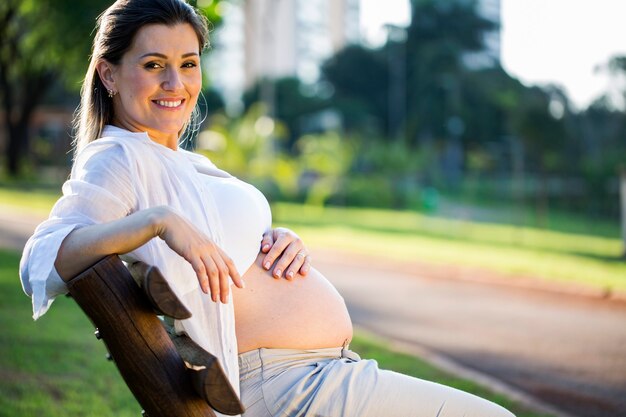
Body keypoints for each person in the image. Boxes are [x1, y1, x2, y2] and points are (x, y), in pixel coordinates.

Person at [20, 1, 515, 416]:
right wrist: (159, 223)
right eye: (153, 65)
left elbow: (226, 237)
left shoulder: (179, 161)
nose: (175, 82)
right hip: (284, 385)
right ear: (109, 73)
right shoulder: (119, 157)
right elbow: (43, 257)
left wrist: (277, 239)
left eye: (188, 63)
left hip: (319, 373)